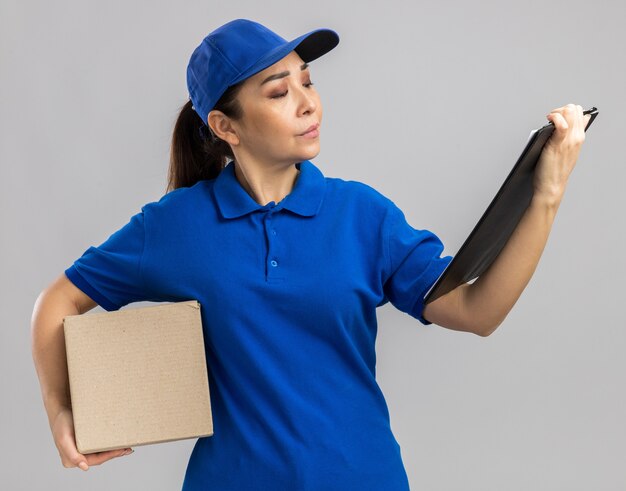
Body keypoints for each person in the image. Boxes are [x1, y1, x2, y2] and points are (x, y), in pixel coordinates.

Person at [31, 18, 591, 491]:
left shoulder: (361, 216)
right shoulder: (175, 226)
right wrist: (62, 409)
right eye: (278, 92)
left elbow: (477, 311)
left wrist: (547, 194)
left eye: (308, 82)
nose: (308, 104)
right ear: (226, 127)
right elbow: (58, 301)